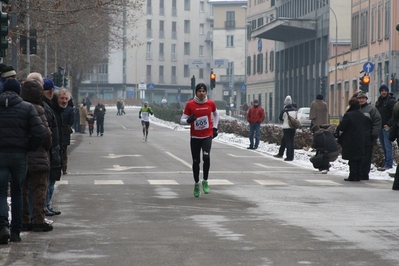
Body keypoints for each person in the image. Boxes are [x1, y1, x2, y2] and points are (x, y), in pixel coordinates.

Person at [0, 78, 47, 243]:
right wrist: (29, 147)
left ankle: (2, 225)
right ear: (18, 91)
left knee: (1, 192)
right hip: (19, 155)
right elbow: (40, 132)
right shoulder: (27, 108)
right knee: (18, 192)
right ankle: (15, 231)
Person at [20, 79, 53, 232]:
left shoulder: (18, 108)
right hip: (39, 155)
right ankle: (38, 220)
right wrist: (45, 148)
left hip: (21, 155)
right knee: (39, 188)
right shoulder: (39, 110)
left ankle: (24, 220)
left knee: (23, 189)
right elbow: (45, 134)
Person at [180, 83, 219, 197]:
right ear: (196, 92)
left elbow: (216, 115)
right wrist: (188, 120)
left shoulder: (211, 103)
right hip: (195, 137)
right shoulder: (190, 104)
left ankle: (205, 181)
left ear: (206, 92)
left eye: (203, 91)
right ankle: (197, 183)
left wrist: (215, 128)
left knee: (206, 157)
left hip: (207, 135)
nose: (201, 93)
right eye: (199, 91)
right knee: (196, 161)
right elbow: (182, 119)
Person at [46, 87, 70, 216]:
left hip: (57, 149)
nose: (64, 101)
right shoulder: (53, 110)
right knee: (49, 181)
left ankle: (47, 205)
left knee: (52, 180)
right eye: (62, 98)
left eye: (66, 98)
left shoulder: (59, 110)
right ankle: (45, 206)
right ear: (56, 97)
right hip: (51, 150)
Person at [335, 98, 367, 182]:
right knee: (359, 158)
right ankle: (358, 176)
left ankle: (352, 175)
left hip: (350, 139)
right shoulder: (362, 115)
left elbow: (342, 126)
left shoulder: (349, 115)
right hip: (361, 138)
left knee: (352, 158)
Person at [357, 92, 381, 180]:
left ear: (366, 99)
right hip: (357, 138)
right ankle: (358, 172)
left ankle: (364, 174)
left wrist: (374, 133)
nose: (361, 100)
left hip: (368, 137)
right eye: (359, 98)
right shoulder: (355, 109)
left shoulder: (372, 109)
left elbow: (377, 122)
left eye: (363, 98)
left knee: (366, 157)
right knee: (357, 156)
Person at [375, 84, 396, 171]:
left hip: (387, 127)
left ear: (387, 92)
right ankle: (386, 162)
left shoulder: (390, 101)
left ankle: (388, 163)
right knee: (383, 146)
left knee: (388, 146)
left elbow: (394, 115)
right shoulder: (379, 102)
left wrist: (389, 124)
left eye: (385, 91)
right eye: (382, 91)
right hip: (380, 126)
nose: (383, 92)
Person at [278, 96, 297, 161]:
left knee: (288, 141)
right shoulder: (295, 110)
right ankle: (291, 156)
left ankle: (288, 156)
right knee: (291, 141)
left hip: (286, 127)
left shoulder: (284, 110)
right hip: (293, 127)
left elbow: (280, 118)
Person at [61, 98, 75, 175]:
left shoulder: (59, 108)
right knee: (64, 151)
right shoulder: (70, 109)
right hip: (66, 131)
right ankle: (64, 168)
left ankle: (58, 166)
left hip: (58, 130)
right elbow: (71, 121)